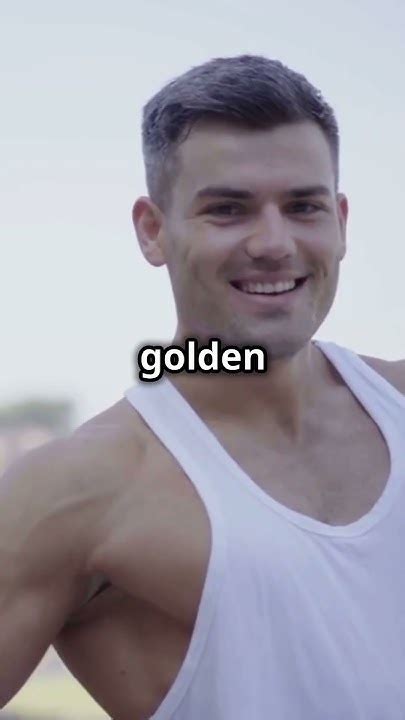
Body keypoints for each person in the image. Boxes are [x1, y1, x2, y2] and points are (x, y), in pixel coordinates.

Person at [1, 54, 405, 720]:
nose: (274, 243)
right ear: (153, 231)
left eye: (303, 207)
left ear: (340, 221)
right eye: (228, 210)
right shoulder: (79, 490)